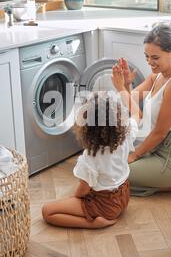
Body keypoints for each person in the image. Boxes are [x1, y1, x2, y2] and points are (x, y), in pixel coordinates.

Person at [111, 24, 171, 196]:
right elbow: (132, 106)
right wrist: (126, 86)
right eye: (146, 56)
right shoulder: (158, 75)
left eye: (155, 57)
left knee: (113, 175)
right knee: (110, 163)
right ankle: (164, 181)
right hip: (157, 148)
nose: (150, 62)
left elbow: (160, 132)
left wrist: (134, 156)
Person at [42, 92, 138, 228]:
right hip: (124, 198)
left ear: (88, 128)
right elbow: (136, 116)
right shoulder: (126, 136)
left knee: (47, 212)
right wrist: (124, 86)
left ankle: (92, 224)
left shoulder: (91, 157)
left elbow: (83, 190)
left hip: (106, 207)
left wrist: (75, 198)